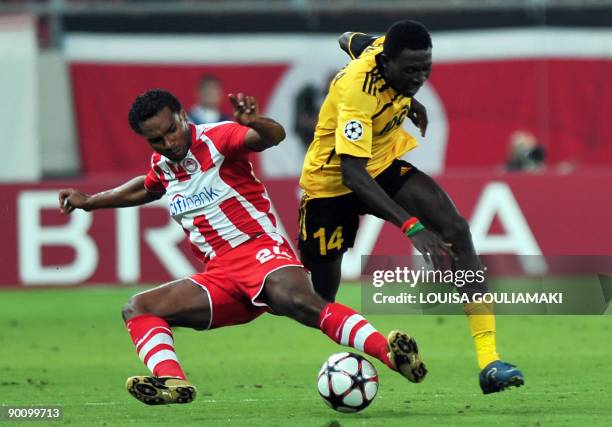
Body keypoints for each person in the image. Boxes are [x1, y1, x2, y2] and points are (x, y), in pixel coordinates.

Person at [58, 89, 426, 406]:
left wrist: (255, 121)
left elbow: (272, 136)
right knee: (138, 308)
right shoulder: (164, 165)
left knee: (303, 304)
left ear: (183, 116)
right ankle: (172, 380)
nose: (168, 143)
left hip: (260, 252)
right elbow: (146, 186)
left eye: (172, 130)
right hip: (218, 276)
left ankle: (391, 356)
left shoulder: (218, 139)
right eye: (156, 140)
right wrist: (91, 201)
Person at [298, 20, 524, 394]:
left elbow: (347, 38)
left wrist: (408, 97)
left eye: (425, 69)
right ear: (386, 64)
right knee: (320, 301)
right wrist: (411, 227)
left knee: (457, 230)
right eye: (410, 71)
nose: (419, 77)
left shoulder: (382, 49)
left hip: (382, 162)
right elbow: (353, 175)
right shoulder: (357, 91)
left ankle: (490, 360)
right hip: (331, 183)